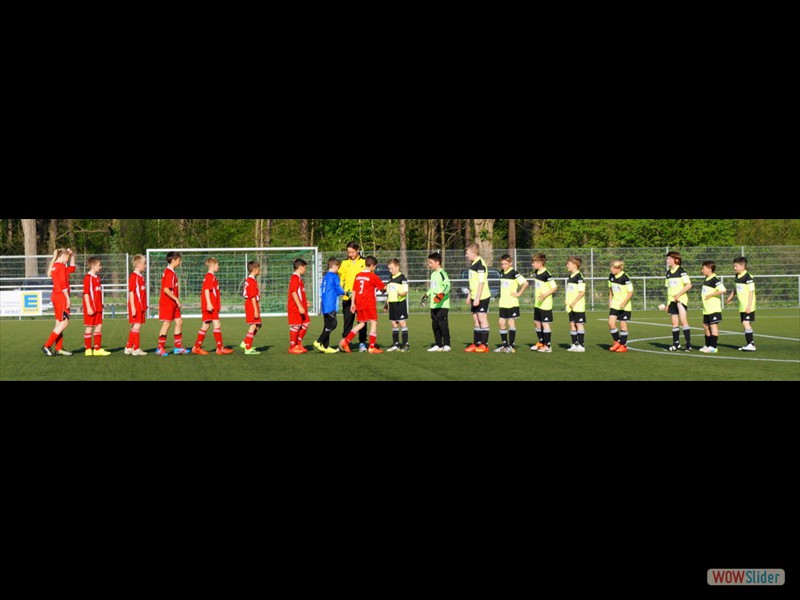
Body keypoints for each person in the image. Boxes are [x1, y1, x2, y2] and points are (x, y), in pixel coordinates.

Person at [338, 255, 387, 354]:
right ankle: (371, 347)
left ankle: (346, 341)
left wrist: (353, 303)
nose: (375, 269)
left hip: (359, 303)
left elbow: (354, 290)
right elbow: (383, 287)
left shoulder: (358, 275)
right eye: (375, 267)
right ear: (372, 265)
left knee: (361, 323)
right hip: (369, 303)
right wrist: (385, 288)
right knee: (373, 322)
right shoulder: (372, 276)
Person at [191, 257, 234, 355]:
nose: (218, 267)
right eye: (217, 265)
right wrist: (209, 303)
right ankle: (219, 348)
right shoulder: (210, 276)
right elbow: (206, 290)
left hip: (211, 305)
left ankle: (197, 347)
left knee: (206, 325)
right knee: (216, 324)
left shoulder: (210, 276)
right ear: (213, 265)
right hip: (210, 306)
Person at [41, 247, 76, 356]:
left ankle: (59, 348)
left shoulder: (56, 266)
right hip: (61, 296)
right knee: (64, 322)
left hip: (56, 296)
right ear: (63, 256)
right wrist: (67, 298)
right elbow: (63, 284)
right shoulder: (60, 266)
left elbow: (72, 269)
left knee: (59, 323)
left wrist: (72, 256)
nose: (67, 260)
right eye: (67, 258)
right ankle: (47, 346)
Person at [155, 251, 189, 356]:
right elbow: (166, 289)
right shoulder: (169, 273)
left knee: (179, 322)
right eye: (179, 260)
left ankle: (178, 347)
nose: (180, 262)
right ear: (173, 260)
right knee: (167, 323)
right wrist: (176, 299)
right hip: (167, 303)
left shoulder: (171, 272)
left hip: (173, 303)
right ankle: (160, 348)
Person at [495, 253, 529, 353]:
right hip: (503, 303)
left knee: (511, 322)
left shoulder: (514, 273)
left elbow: (525, 283)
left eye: (505, 264)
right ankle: (505, 346)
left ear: (510, 263)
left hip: (512, 303)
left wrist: (519, 293)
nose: (503, 266)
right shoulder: (501, 273)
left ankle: (512, 346)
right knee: (501, 323)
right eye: (502, 264)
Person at [339, 242, 368, 352]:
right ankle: (346, 342)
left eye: (352, 252)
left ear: (358, 250)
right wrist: (342, 291)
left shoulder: (364, 262)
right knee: (348, 321)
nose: (350, 254)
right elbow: (341, 280)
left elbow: (369, 278)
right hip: (348, 297)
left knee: (362, 321)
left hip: (361, 298)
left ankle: (362, 342)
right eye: (348, 252)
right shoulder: (344, 263)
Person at [314, 257, 345, 353]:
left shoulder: (326, 276)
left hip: (324, 303)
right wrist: (346, 293)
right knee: (333, 324)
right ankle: (318, 341)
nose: (338, 269)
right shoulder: (334, 276)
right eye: (338, 267)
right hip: (330, 303)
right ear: (334, 266)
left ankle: (325, 346)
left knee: (327, 325)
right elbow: (338, 289)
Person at [464, 243, 491, 352]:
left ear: (474, 253)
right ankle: (476, 344)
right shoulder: (473, 263)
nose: (466, 255)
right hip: (474, 296)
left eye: (467, 253)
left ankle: (484, 345)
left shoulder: (480, 264)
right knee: (475, 319)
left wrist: (477, 298)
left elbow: (481, 282)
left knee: (482, 319)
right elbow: (473, 282)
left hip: (482, 296)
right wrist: (469, 295)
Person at [664, 251, 693, 352]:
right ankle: (676, 344)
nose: (667, 260)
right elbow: (669, 289)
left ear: (676, 260)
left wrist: (678, 295)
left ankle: (688, 344)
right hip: (672, 301)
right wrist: (668, 303)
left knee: (683, 321)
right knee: (674, 323)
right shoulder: (668, 273)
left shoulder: (681, 271)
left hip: (681, 300)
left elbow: (688, 285)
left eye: (669, 259)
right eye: (667, 258)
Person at [726, 256, 757, 351]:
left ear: (743, 266)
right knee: (747, 324)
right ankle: (750, 343)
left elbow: (751, 292)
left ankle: (751, 345)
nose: (734, 268)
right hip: (742, 306)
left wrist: (749, 306)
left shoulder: (748, 277)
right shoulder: (737, 276)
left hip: (748, 305)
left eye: (736, 266)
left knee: (745, 323)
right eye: (734, 266)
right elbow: (736, 288)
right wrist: (731, 296)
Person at [82, 256, 111, 356]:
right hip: (91, 307)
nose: (101, 267)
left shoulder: (97, 278)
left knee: (99, 326)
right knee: (89, 327)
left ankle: (97, 349)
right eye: (99, 265)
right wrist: (89, 307)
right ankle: (88, 349)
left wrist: (100, 304)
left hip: (98, 307)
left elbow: (97, 293)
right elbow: (86, 294)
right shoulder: (88, 278)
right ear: (93, 266)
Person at [530, 253, 558, 353]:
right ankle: (541, 343)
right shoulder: (537, 272)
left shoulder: (546, 274)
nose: (532, 264)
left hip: (545, 303)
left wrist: (544, 295)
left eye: (534, 262)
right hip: (538, 303)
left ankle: (548, 346)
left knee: (545, 324)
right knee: (537, 322)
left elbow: (554, 287)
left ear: (540, 263)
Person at [698, 260, 726, 354]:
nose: (702, 270)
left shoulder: (715, 279)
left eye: (703, 269)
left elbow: (723, 290)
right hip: (707, 309)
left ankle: (713, 346)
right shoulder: (706, 278)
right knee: (705, 326)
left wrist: (711, 295)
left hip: (714, 308)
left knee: (713, 325)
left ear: (709, 269)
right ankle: (707, 345)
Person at [426, 252, 452, 352]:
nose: (429, 265)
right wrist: (427, 294)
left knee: (442, 324)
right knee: (435, 325)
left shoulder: (442, 273)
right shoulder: (433, 274)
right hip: (434, 305)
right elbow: (433, 288)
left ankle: (447, 344)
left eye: (431, 263)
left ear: (437, 262)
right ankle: (438, 344)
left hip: (443, 305)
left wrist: (441, 296)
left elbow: (448, 286)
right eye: (429, 263)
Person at [607, 259, 634, 352]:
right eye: (611, 267)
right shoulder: (611, 276)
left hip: (625, 306)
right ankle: (617, 342)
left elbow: (630, 292)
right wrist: (610, 300)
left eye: (613, 268)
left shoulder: (625, 278)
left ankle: (623, 345)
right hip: (615, 304)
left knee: (623, 325)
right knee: (611, 323)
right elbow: (611, 289)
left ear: (619, 269)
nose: (611, 269)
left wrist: (624, 302)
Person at [125, 254, 148, 356]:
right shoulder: (134, 276)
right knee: (137, 325)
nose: (145, 265)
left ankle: (129, 347)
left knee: (135, 325)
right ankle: (136, 348)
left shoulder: (140, 277)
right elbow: (131, 292)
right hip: (136, 306)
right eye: (144, 263)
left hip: (140, 306)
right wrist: (133, 307)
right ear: (138, 264)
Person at [384, 258, 410, 352]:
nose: (390, 270)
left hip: (400, 304)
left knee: (402, 322)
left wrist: (400, 294)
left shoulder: (402, 278)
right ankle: (396, 344)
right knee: (393, 323)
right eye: (389, 269)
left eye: (392, 268)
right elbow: (389, 292)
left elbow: (405, 291)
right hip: (392, 304)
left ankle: (405, 344)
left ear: (397, 267)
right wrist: (386, 303)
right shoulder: (390, 278)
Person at [565, 256, 587, 352]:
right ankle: (574, 344)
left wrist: (574, 302)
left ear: (574, 265)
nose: (567, 265)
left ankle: (581, 345)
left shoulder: (579, 277)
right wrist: (567, 300)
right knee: (572, 324)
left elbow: (582, 292)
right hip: (570, 306)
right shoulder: (570, 276)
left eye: (568, 264)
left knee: (579, 324)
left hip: (578, 306)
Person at [240, 260, 263, 355]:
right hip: (251, 305)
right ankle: (248, 347)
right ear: (254, 269)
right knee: (253, 325)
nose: (259, 271)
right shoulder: (251, 281)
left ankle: (246, 342)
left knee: (258, 325)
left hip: (252, 304)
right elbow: (252, 296)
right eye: (258, 269)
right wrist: (255, 310)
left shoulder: (251, 280)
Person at [288, 258, 310, 354]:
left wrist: (305, 302)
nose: (305, 270)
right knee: (296, 326)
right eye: (305, 268)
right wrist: (300, 306)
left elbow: (299, 293)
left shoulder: (299, 278)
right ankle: (292, 347)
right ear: (300, 267)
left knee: (306, 323)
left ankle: (298, 344)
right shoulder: (295, 278)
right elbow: (293, 293)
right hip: (295, 307)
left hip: (301, 306)